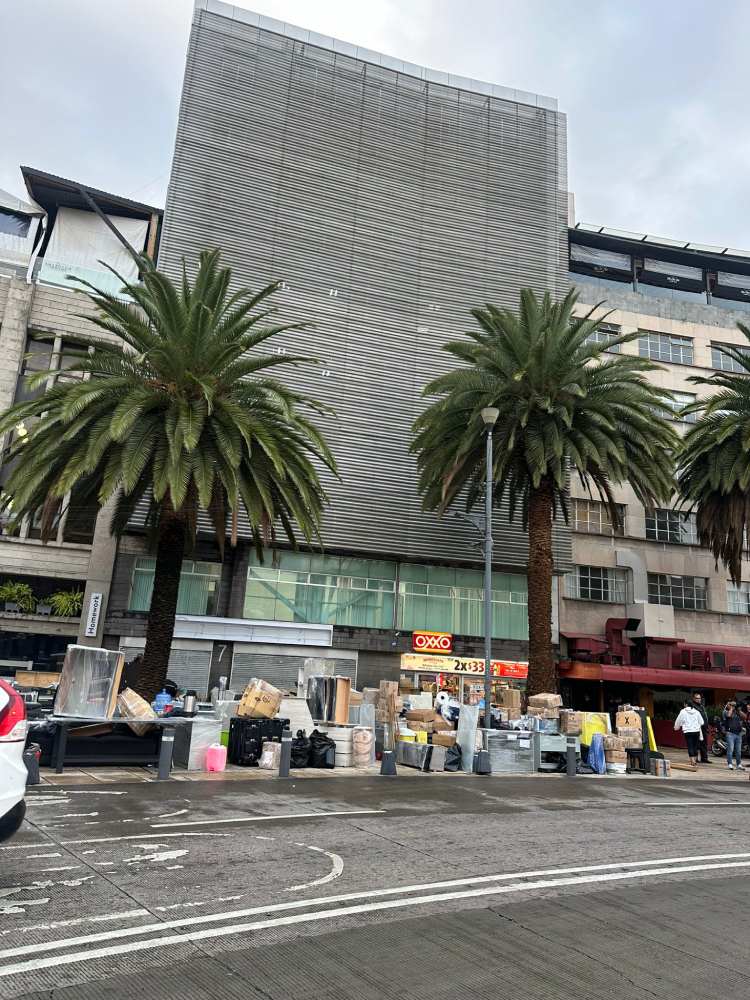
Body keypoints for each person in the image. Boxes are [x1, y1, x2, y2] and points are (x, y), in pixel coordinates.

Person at [674, 699, 705, 766]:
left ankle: (692, 761)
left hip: (688, 731)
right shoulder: (697, 712)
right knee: (695, 746)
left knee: (690, 746)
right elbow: (702, 722)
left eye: (684, 704)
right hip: (696, 731)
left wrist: (676, 727)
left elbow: (678, 721)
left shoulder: (683, 711)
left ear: (686, 704)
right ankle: (695, 759)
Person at [722, 700, 746, 771]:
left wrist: (739, 710)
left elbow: (744, 717)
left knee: (738, 751)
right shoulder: (725, 712)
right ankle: (730, 764)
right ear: (727, 705)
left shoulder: (737, 712)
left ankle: (739, 764)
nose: (733, 706)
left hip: (738, 734)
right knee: (730, 749)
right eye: (731, 704)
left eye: (733, 705)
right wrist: (731, 708)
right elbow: (729, 715)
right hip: (730, 733)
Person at [691, 692, 710, 764]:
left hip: (704, 727)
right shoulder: (693, 706)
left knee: (704, 743)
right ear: (693, 699)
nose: (699, 700)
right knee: (696, 744)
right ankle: (695, 758)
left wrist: (707, 726)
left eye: (699, 698)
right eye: (697, 698)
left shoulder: (701, 706)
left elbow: (705, 716)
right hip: (697, 728)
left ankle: (704, 758)